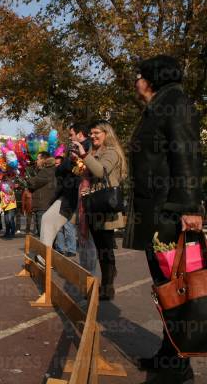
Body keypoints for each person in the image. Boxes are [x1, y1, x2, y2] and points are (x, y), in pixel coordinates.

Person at [123, 55, 202, 384]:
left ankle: (179, 367)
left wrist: (190, 208)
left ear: (151, 78)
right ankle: (168, 356)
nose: (136, 81)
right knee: (166, 289)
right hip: (157, 211)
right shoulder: (159, 105)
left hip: (169, 214)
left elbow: (186, 154)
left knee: (176, 289)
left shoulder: (175, 103)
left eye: (139, 75)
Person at [72, 120, 127, 299]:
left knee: (105, 248)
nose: (93, 136)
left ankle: (107, 286)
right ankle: (103, 280)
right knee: (99, 246)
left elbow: (101, 171)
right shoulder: (94, 151)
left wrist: (84, 155)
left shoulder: (111, 152)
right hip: (95, 205)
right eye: (92, 133)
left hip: (106, 206)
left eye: (97, 133)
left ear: (106, 134)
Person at [39, 124, 90, 249]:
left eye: (71, 134)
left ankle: (99, 268)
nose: (69, 137)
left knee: (88, 241)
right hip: (68, 196)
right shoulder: (72, 150)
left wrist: (81, 158)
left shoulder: (91, 147)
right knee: (47, 219)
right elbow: (59, 170)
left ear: (80, 134)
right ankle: (44, 257)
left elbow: (93, 170)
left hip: (85, 197)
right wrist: (70, 161)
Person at [27, 151, 57, 236]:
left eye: (38, 159)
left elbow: (34, 183)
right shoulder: (44, 170)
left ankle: (47, 249)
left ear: (43, 160)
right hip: (42, 204)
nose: (36, 161)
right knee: (43, 232)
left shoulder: (46, 171)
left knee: (44, 233)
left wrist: (29, 179)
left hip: (43, 205)